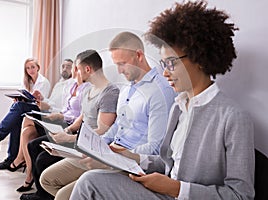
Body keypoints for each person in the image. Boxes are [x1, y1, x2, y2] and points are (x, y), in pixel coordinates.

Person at [70, 1, 255, 199]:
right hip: (163, 191)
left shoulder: (233, 117)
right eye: (163, 63)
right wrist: (130, 157)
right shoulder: (180, 107)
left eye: (171, 63)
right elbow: (169, 163)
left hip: (178, 195)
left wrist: (176, 189)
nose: (165, 73)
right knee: (90, 181)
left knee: (88, 184)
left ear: (199, 58)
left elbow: (241, 195)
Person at [40, 32, 176, 200]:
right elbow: (117, 126)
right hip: (110, 152)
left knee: (62, 196)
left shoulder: (161, 91)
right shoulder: (127, 89)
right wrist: (96, 146)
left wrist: (112, 156)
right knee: (47, 180)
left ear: (139, 55)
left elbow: (156, 148)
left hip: (131, 163)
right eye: (116, 64)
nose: (118, 71)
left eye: (122, 64)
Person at [20, 49, 120, 200]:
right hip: (76, 135)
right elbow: (83, 116)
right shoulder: (89, 89)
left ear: (87, 69)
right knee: (34, 146)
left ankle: (46, 196)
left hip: (88, 144)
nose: (75, 74)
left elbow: (101, 131)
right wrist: (67, 130)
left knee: (42, 159)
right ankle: (41, 194)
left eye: (77, 69)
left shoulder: (110, 92)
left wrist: (68, 138)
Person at [8, 61, 89, 193]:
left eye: (71, 67)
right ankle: (26, 169)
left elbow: (79, 116)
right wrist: (49, 107)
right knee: (27, 130)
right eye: (63, 66)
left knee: (25, 118)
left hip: (65, 122)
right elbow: (62, 108)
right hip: (58, 115)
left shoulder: (86, 89)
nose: (67, 69)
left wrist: (52, 109)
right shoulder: (65, 85)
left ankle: (21, 164)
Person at [0, 58, 50, 170]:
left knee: (18, 107)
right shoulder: (27, 82)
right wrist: (19, 99)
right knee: (15, 118)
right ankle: (10, 158)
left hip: (39, 110)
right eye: (28, 68)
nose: (30, 70)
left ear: (38, 68)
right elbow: (24, 97)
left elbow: (42, 103)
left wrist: (36, 98)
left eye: (32, 67)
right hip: (27, 109)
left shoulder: (44, 82)